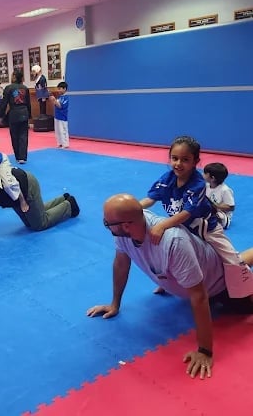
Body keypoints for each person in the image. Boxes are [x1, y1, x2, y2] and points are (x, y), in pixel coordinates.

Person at [87, 193, 253, 380]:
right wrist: (114, 303)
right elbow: (121, 263)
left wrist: (205, 351)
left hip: (220, 287)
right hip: (206, 267)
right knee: (230, 264)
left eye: (107, 223)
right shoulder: (127, 229)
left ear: (126, 225)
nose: (106, 226)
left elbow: (199, 296)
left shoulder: (173, 242)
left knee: (242, 297)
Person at [139, 135, 253, 298]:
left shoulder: (197, 184)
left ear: (195, 161)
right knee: (171, 255)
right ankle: (168, 284)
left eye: (185, 159)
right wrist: (133, 208)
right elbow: (151, 198)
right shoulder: (167, 178)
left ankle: (247, 290)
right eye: (175, 158)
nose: (178, 163)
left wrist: (162, 225)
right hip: (182, 228)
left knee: (232, 260)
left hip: (207, 230)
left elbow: (187, 213)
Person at [0, 69, 31, 164]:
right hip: (24, 112)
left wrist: (1, 115)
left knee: (15, 135)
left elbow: (3, 103)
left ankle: (17, 156)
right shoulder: (25, 88)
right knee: (24, 135)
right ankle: (23, 157)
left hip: (14, 113)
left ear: (14, 77)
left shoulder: (8, 88)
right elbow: (28, 103)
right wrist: (29, 115)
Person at [204, 162, 235, 229]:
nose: (203, 175)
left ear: (212, 178)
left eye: (205, 174)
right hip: (209, 210)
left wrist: (215, 206)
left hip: (221, 213)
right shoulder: (206, 186)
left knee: (218, 216)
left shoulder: (225, 190)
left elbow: (231, 207)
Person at [49, 81, 69, 148]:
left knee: (63, 131)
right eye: (58, 88)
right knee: (58, 131)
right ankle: (60, 143)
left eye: (60, 88)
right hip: (57, 116)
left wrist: (54, 100)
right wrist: (53, 100)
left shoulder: (66, 98)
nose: (58, 90)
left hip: (62, 117)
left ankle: (65, 144)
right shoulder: (59, 97)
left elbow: (60, 106)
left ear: (64, 89)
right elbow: (56, 104)